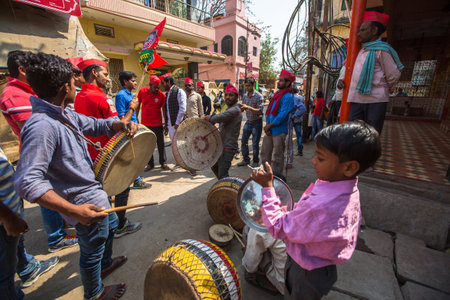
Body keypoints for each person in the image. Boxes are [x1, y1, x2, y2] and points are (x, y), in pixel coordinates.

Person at [15, 52, 132, 300]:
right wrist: (73, 211)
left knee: (108, 230)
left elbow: (95, 124)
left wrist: (119, 124)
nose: (76, 85)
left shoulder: (64, 113)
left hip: (95, 193)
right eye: (72, 80)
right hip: (83, 205)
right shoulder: (42, 125)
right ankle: (95, 292)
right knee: (91, 251)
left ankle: (106, 263)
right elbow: (27, 182)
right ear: (64, 86)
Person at [251, 121, 381, 299]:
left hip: (305, 271)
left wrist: (267, 187)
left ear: (349, 167)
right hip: (324, 266)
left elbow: (277, 227)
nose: (313, 161)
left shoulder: (322, 205)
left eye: (320, 158)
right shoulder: (348, 189)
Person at [0, 50, 77, 253]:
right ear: (22, 69)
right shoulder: (13, 94)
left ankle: (63, 230)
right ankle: (56, 238)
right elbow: (36, 130)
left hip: (52, 150)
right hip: (45, 154)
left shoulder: (26, 91)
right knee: (47, 196)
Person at [75, 63, 144, 239]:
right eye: (105, 74)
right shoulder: (100, 97)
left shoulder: (78, 96)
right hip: (108, 153)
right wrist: (132, 108)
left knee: (101, 191)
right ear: (94, 73)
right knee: (121, 186)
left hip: (90, 153)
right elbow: (119, 126)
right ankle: (120, 225)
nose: (108, 78)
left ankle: (108, 223)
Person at [1, 148, 60, 299]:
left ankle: (27, 268)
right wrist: (9, 219)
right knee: (4, 274)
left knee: (15, 245)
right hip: (5, 219)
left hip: (11, 209)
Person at [345, 11, 403, 134]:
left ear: (374, 30)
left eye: (363, 30)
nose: (359, 34)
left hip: (375, 101)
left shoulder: (381, 50)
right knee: (353, 134)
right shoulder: (361, 50)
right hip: (357, 99)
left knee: (372, 135)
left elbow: (394, 75)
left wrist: (380, 87)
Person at [115, 71, 152, 190]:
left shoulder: (132, 96)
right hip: (128, 130)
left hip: (135, 128)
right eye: (132, 81)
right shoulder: (121, 96)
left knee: (136, 155)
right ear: (125, 81)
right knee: (131, 156)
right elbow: (122, 118)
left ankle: (136, 179)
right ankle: (135, 180)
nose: (135, 83)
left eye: (136, 80)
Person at [260, 69, 295, 179]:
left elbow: (282, 115)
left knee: (277, 157)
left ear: (288, 83)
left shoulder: (288, 97)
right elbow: (269, 111)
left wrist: (269, 126)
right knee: (265, 154)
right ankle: (265, 176)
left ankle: (277, 179)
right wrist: (267, 125)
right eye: (278, 80)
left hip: (279, 131)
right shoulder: (277, 94)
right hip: (270, 130)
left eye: (281, 80)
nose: (278, 82)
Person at [203, 84, 242, 179]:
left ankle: (229, 190)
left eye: (231, 95)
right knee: (214, 166)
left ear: (237, 97)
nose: (228, 97)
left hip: (228, 147)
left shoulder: (234, 110)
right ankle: (223, 187)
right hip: (222, 146)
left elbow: (218, 117)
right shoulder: (230, 108)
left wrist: (207, 117)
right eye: (226, 95)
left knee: (223, 174)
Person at [138, 75, 170, 171]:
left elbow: (164, 111)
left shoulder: (161, 95)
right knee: (148, 145)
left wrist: (166, 124)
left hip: (158, 124)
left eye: (158, 87)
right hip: (145, 124)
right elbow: (137, 105)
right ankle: (150, 164)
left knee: (161, 144)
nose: (157, 89)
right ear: (150, 85)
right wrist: (136, 120)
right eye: (155, 87)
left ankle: (163, 162)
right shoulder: (142, 92)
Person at [242, 226, 287, 295]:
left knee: (247, 230)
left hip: (286, 286)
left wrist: (247, 254)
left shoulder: (264, 224)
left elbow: (250, 266)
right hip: (306, 288)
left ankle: (265, 282)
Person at [238, 77, 264, 168]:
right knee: (243, 141)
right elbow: (243, 108)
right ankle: (246, 159)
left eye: (249, 86)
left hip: (257, 123)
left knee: (254, 143)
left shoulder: (259, 96)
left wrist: (248, 107)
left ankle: (255, 161)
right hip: (248, 122)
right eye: (246, 86)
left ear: (253, 85)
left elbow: (260, 111)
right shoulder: (245, 96)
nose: (247, 88)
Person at [160, 73, 187, 140]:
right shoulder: (167, 94)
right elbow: (167, 110)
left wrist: (177, 122)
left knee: (181, 146)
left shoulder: (179, 92)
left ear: (168, 82)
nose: (162, 85)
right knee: (174, 146)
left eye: (163, 83)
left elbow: (182, 109)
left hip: (179, 125)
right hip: (170, 126)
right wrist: (166, 125)